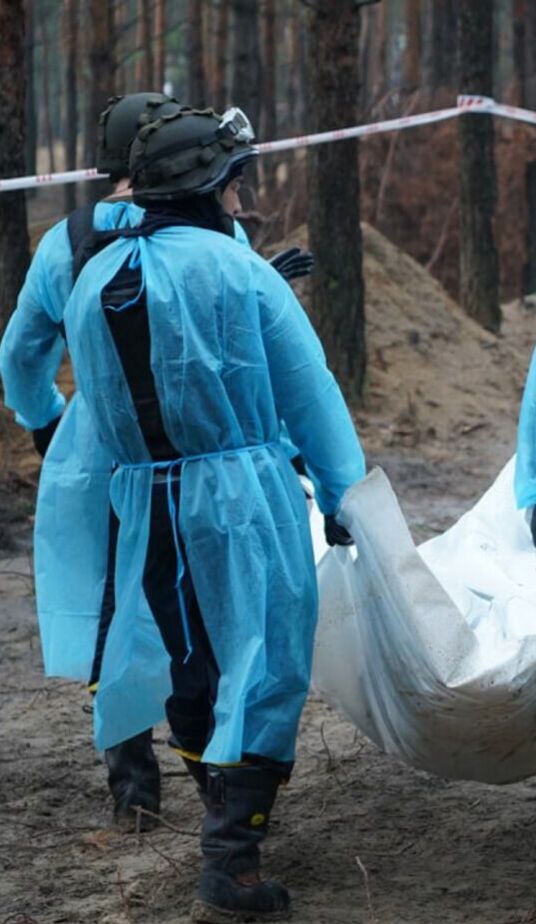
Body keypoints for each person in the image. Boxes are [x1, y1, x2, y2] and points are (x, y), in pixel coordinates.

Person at [60, 106, 365, 922]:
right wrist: (345, 498)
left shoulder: (94, 278)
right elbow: (311, 394)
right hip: (241, 497)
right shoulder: (240, 271)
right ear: (216, 186)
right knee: (265, 658)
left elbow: (92, 406)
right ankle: (231, 861)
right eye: (236, 180)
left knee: (187, 663)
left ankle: (221, 816)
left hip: (142, 496)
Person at [0, 92, 310, 834]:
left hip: (96, 448)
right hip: (201, 454)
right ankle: (217, 781)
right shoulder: (217, 226)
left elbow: (19, 357)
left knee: (116, 603)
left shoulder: (65, 240)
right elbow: (239, 350)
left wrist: (47, 424)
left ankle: (133, 784)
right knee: (199, 607)